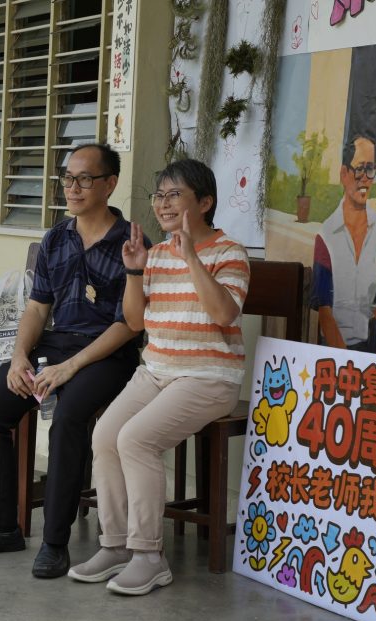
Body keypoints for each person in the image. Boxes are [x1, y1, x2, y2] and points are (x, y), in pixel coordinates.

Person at [0, 143, 146, 578]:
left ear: (110, 184)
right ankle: (2, 527)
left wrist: (71, 367)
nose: (73, 188)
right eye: (68, 179)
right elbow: (38, 308)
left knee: (69, 418)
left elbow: (129, 325)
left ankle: (55, 542)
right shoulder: (56, 238)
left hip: (108, 354)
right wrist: (20, 356)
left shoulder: (130, 243)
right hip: (55, 347)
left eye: (85, 179)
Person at [69, 159, 249, 595]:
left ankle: (149, 557)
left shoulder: (230, 253)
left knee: (136, 439)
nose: (163, 205)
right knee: (105, 436)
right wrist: (134, 271)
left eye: (174, 195)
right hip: (156, 371)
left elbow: (224, 313)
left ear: (204, 203)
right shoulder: (157, 255)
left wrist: (191, 257)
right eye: (159, 196)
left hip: (209, 377)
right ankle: (115, 545)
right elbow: (135, 321)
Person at [311, 134, 376, 353]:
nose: (365, 178)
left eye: (370, 169)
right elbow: (324, 310)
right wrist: (344, 361)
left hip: (370, 350)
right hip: (333, 349)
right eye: (359, 169)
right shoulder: (326, 235)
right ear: (344, 173)